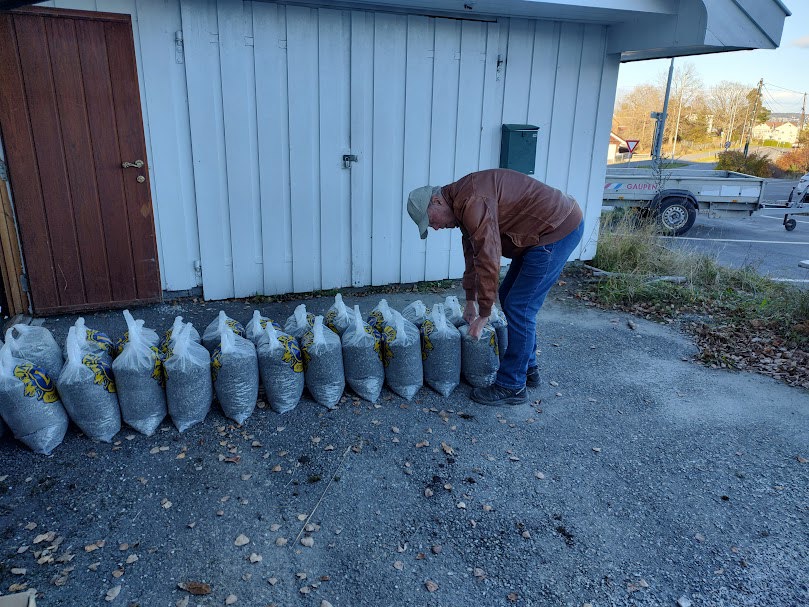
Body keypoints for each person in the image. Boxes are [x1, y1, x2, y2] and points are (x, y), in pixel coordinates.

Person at [407, 168, 584, 406]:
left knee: (520, 306)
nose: (436, 228)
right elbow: (473, 253)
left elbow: (489, 256)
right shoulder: (462, 203)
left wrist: (485, 314)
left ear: (437, 201)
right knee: (511, 298)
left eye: (432, 220)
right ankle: (527, 368)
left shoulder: (472, 201)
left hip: (555, 230)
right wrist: (471, 300)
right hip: (537, 235)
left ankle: (512, 386)